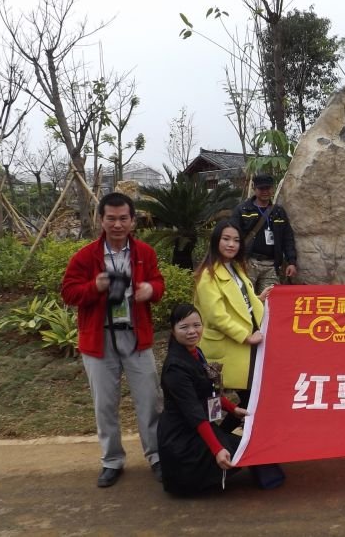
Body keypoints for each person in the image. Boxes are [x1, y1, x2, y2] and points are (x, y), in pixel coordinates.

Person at [61, 192, 165, 487]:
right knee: (105, 404)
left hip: (136, 335)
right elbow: (68, 292)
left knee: (149, 400)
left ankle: (157, 456)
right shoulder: (85, 256)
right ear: (101, 220)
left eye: (123, 219)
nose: (117, 225)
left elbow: (158, 283)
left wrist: (151, 290)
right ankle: (112, 460)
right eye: (111, 218)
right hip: (100, 339)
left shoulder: (144, 252)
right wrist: (94, 287)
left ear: (133, 221)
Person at [158, 304, 249, 495]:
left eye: (197, 325)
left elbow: (208, 390)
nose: (192, 331)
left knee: (244, 447)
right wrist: (216, 449)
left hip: (198, 427)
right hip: (183, 438)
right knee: (240, 451)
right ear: (173, 331)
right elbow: (194, 412)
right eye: (184, 327)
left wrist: (233, 409)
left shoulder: (196, 353)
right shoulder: (175, 368)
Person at [194, 219, 270, 410]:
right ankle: (222, 430)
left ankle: (228, 429)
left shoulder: (234, 267)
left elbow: (238, 300)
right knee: (229, 403)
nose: (231, 244)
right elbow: (216, 316)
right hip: (228, 346)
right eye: (226, 239)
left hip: (242, 346)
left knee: (248, 399)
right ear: (216, 241)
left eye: (236, 240)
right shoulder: (208, 275)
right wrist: (245, 337)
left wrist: (258, 299)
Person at [230, 173, 298, 293]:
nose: (265, 191)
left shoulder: (279, 212)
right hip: (248, 262)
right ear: (254, 188)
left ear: (273, 188)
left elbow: (287, 238)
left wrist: (291, 262)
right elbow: (232, 235)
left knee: (269, 299)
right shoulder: (243, 210)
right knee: (245, 297)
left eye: (268, 188)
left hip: (271, 265)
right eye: (261, 188)